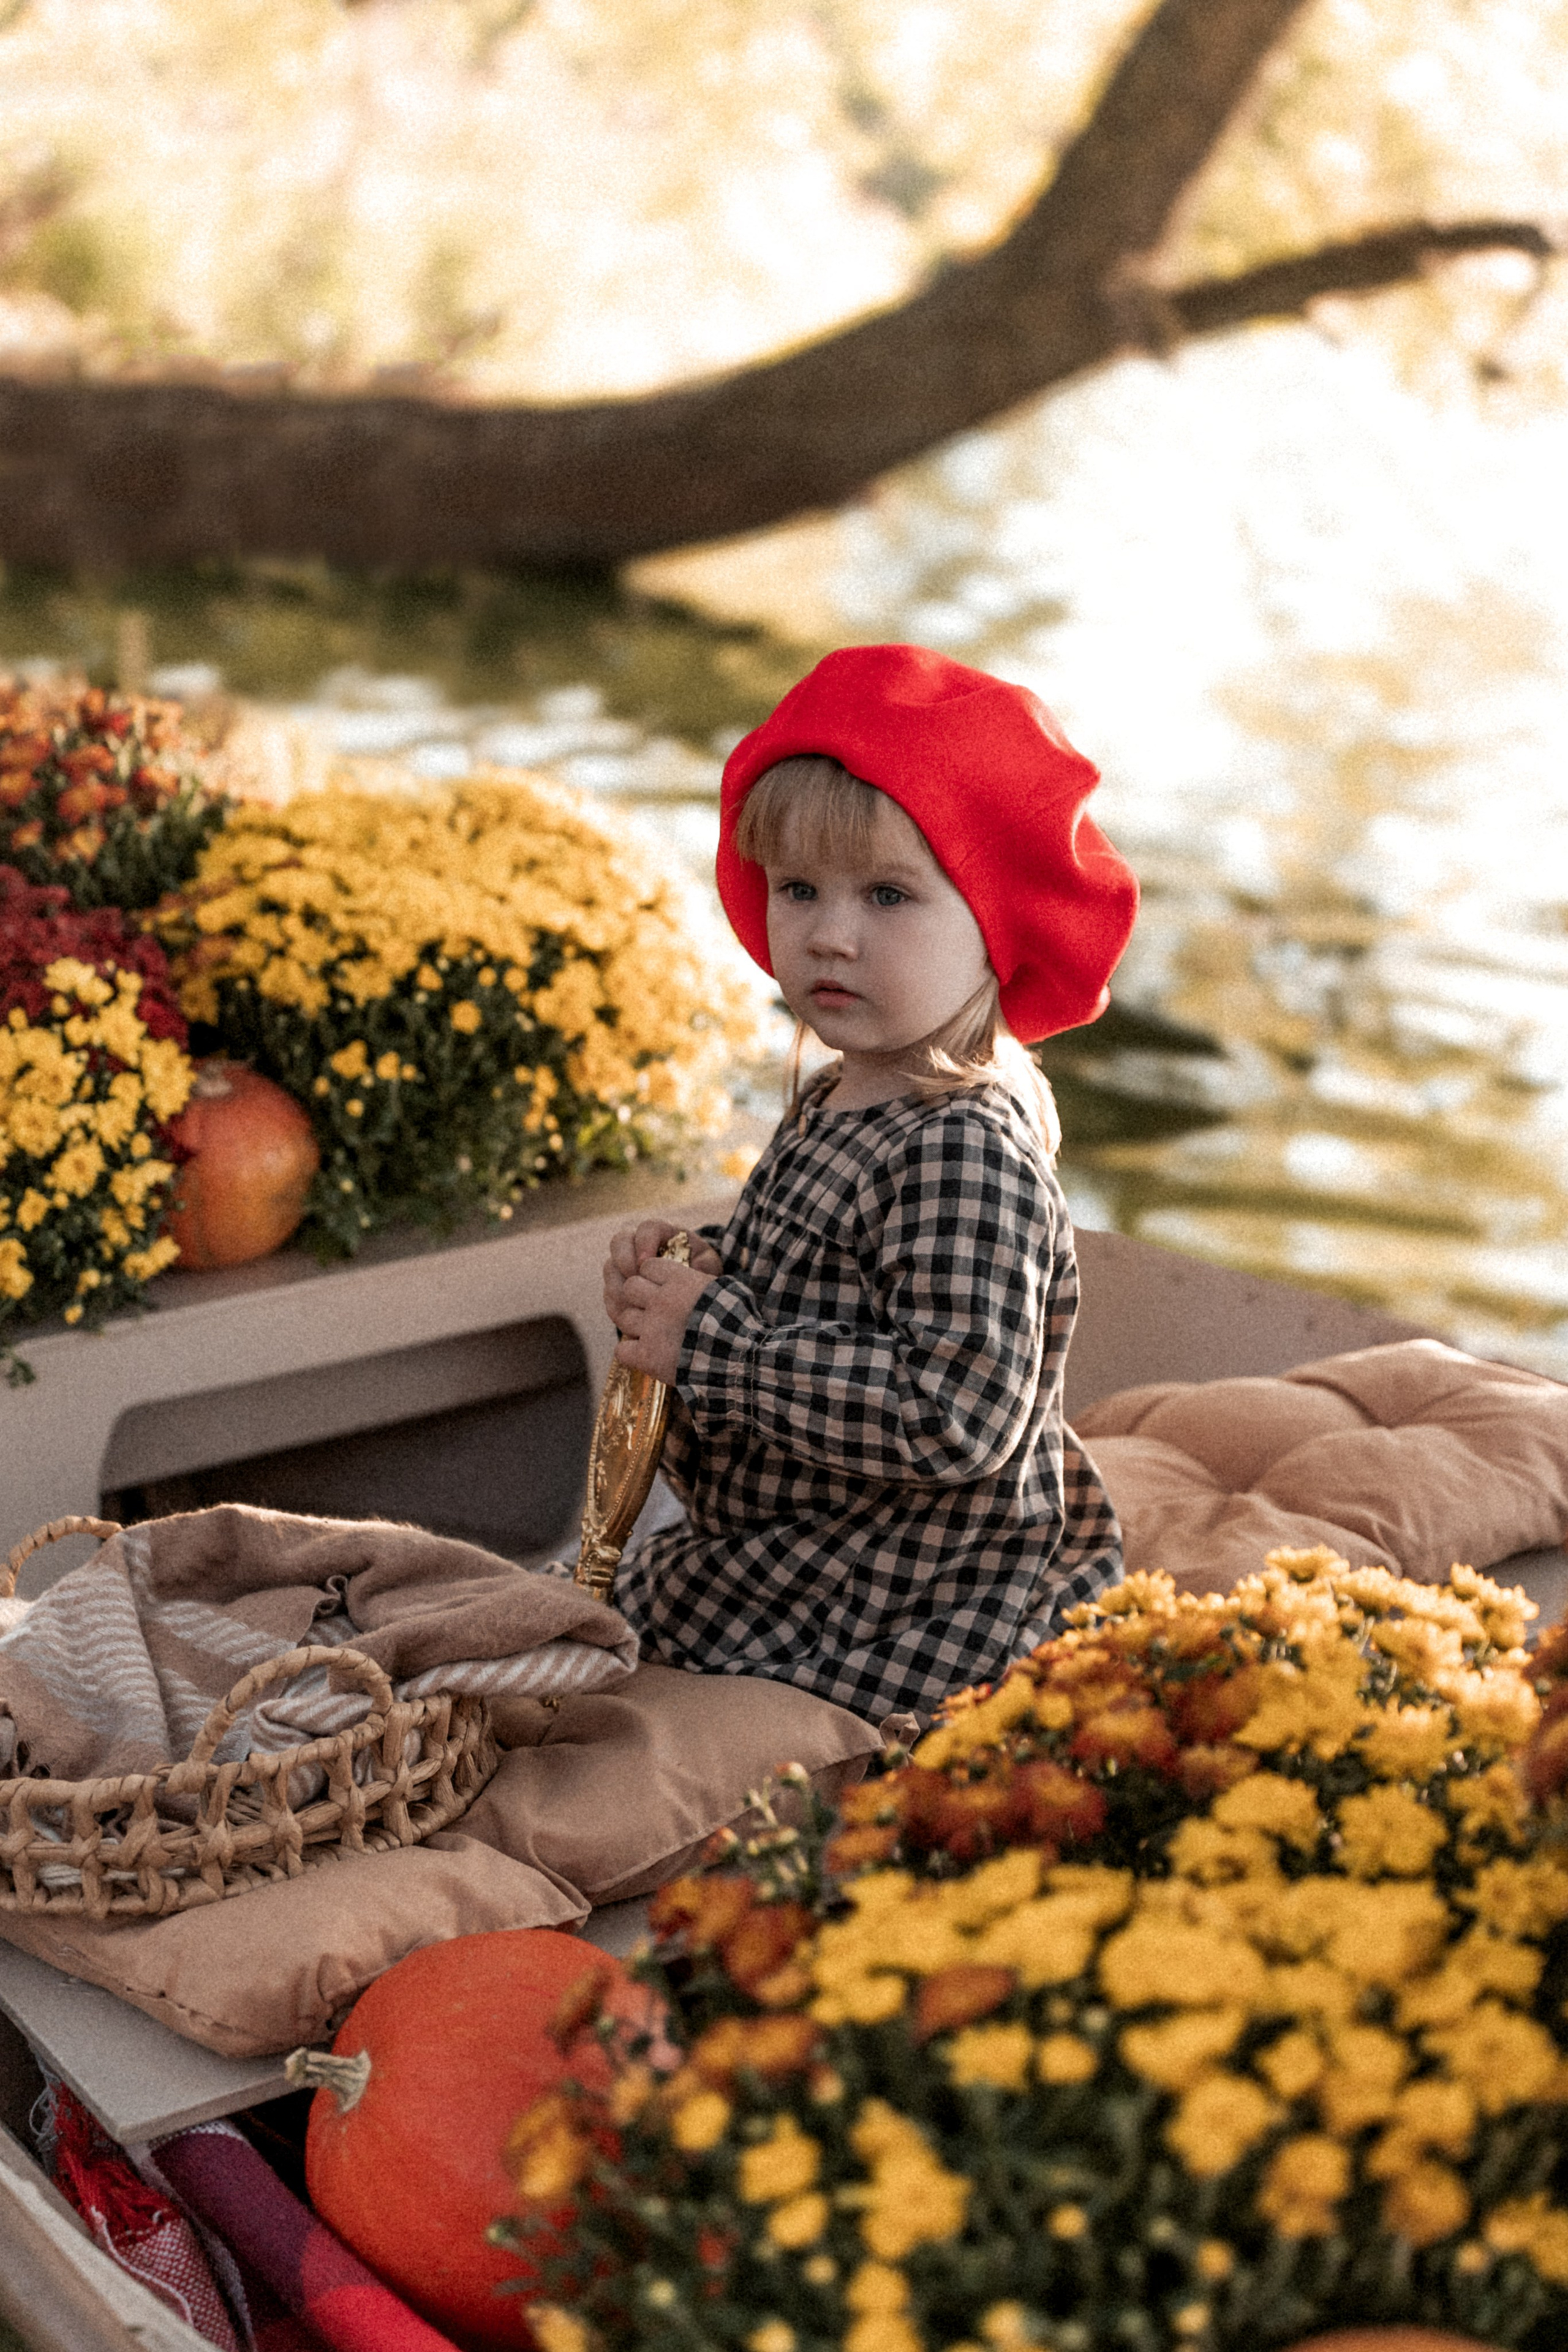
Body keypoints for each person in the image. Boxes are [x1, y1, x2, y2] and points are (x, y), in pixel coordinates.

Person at [603, 642, 1138, 1728]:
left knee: (612, 1654)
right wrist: (707, 1272)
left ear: (996, 928)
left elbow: (954, 1418)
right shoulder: (852, 1089)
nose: (829, 933)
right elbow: (835, 1284)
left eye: (890, 895)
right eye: (798, 888)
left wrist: (714, 1343)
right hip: (806, 1544)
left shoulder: (962, 1148)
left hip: (907, 1595)